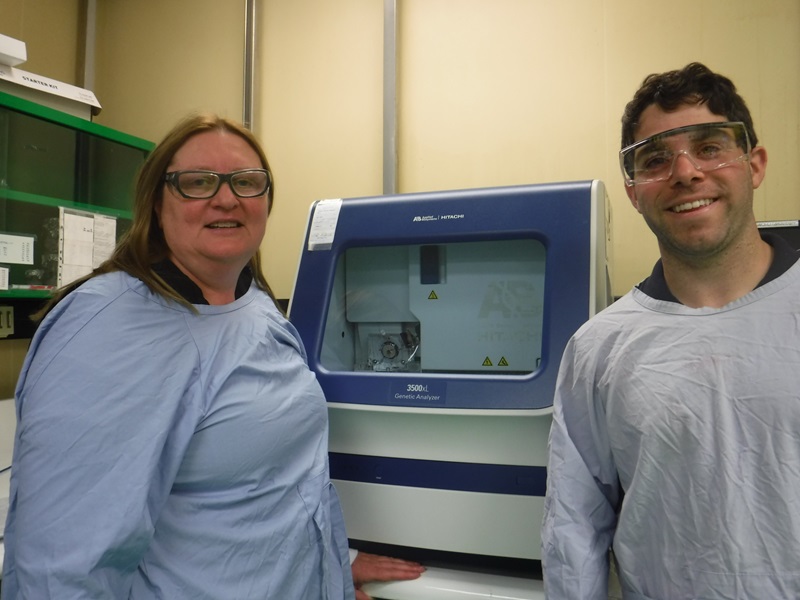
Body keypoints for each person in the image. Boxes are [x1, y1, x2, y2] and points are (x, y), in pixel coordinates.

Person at [1, 113, 422, 598]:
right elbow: (62, 569)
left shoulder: (252, 302)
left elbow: (273, 485)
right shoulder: (109, 328)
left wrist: (332, 564)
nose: (227, 197)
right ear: (156, 204)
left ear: (266, 200)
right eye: (198, 182)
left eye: (246, 182)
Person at [541, 62, 800, 598]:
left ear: (754, 165)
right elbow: (573, 527)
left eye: (709, 147)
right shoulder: (598, 350)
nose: (685, 172)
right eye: (657, 158)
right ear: (634, 192)